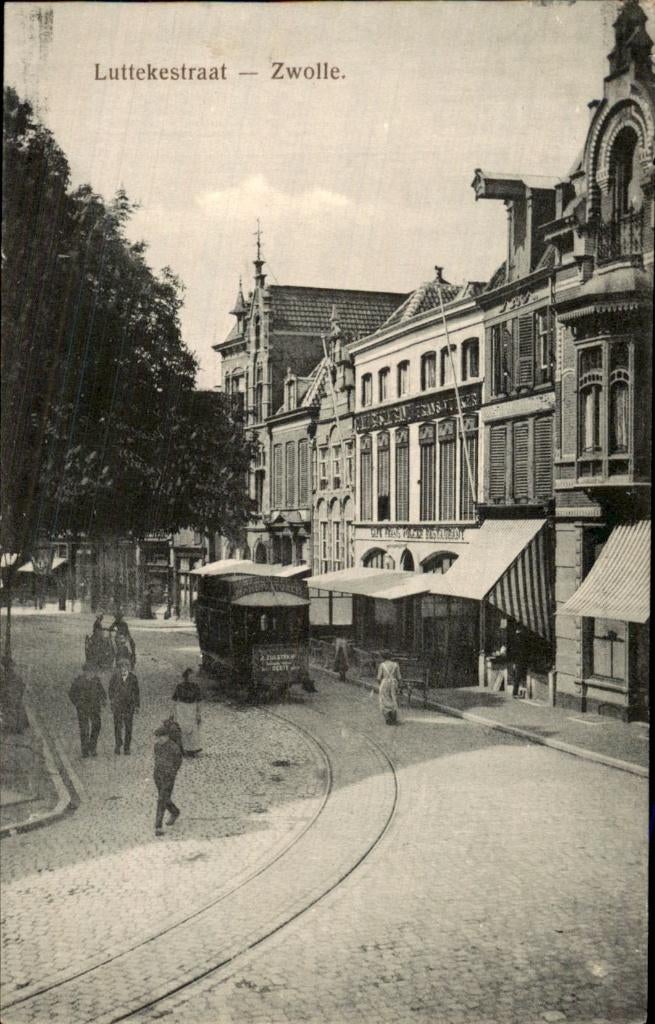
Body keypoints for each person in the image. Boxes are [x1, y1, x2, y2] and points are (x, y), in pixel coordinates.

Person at [153, 717, 183, 836]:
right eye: (157, 737)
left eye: (160, 737)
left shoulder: (174, 748)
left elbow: (178, 762)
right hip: (158, 775)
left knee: (161, 799)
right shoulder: (157, 746)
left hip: (168, 776)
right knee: (164, 798)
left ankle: (158, 827)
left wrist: (172, 772)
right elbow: (157, 759)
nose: (158, 739)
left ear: (167, 736)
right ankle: (175, 812)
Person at [69, 663, 106, 757]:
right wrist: (77, 703)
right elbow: (71, 693)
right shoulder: (78, 681)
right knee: (84, 729)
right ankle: (85, 750)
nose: (91, 673)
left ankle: (92, 747)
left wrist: (103, 700)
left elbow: (102, 692)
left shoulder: (96, 681)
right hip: (83, 708)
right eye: (88, 671)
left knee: (96, 726)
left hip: (95, 708)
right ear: (84, 672)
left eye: (92, 671)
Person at [108, 658, 140, 754]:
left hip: (129, 706)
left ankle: (127, 747)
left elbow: (136, 692)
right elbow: (110, 690)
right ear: (119, 668)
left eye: (125, 666)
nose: (123, 669)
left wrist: (137, 706)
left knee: (128, 727)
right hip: (118, 706)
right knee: (117, 726)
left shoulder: (133, 678)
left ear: (128, 668)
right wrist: (112, 700)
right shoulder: (114, 677)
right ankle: (118, 745)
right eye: (121, 667)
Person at [172, 668, 202, 756]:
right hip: (182, 709)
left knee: (192, 728)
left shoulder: (196, 687)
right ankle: (182, 748)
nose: (192, 678)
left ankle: (192, 749)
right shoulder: (180, 686)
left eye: (193, 676)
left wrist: (198, 713)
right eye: (190, 676)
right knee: (182, 728)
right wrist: (173, 712)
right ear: (186, 677)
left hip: (192, 708)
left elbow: (199, 701)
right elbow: (174, 700)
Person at [377, 657, 402, 725]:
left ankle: (387, 717)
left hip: (385, 683)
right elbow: (399, 677)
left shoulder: (382, 665)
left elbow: (379, 677)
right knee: (394, 698)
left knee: (385, 699)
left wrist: (380, 684)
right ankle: (394, 716)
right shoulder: (396, 665)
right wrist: (399, 686)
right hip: (394, 683)